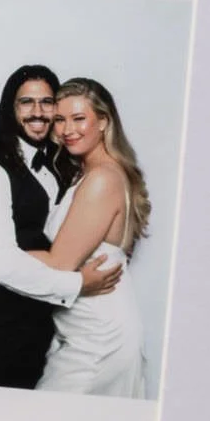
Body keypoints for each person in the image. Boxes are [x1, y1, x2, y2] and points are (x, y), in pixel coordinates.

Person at [0, 64, 120, 388]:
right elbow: (1, 265)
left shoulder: (61, 168)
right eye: (26, 102)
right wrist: (76, 284)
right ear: (10, 109)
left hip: (43, 328)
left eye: (47, 102)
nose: (38, 112)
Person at [21, 79, 151, 395]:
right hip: (86, 333)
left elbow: (59, 263)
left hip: (98, 340)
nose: (68, 130)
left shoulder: (102, 179)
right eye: (61, 120)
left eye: (79, 119)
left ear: (104, 121)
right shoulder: (93, 174)